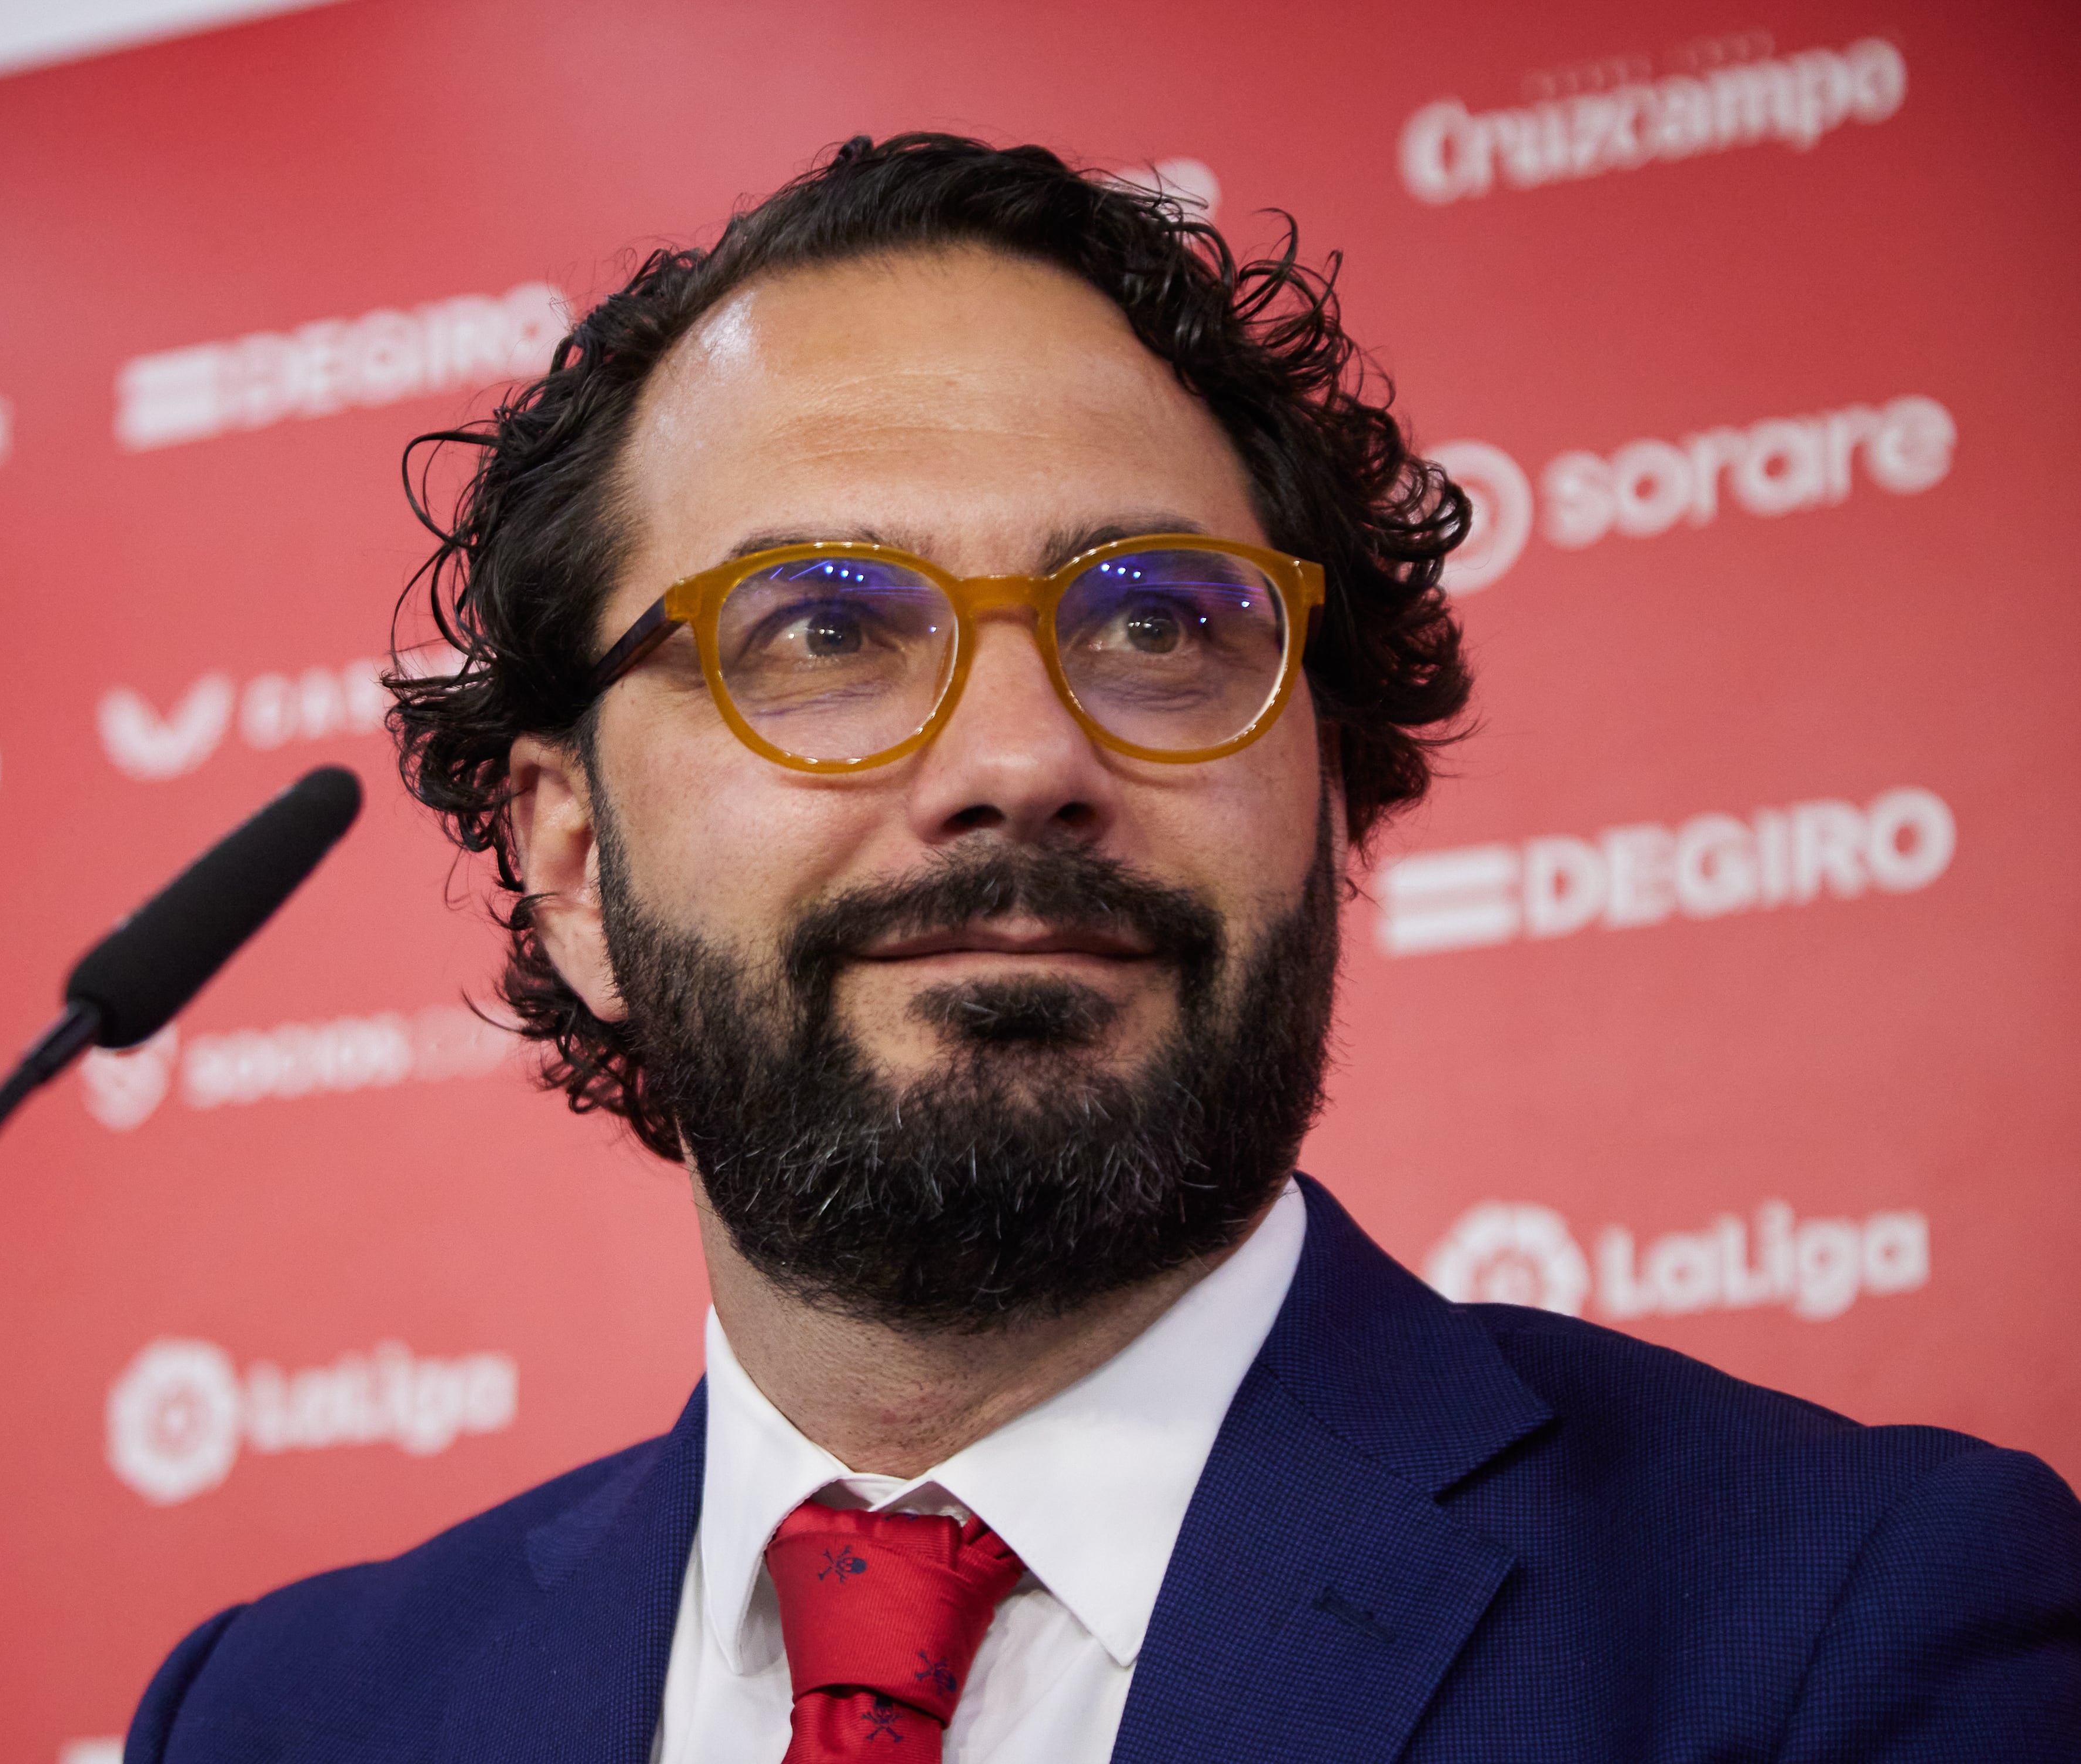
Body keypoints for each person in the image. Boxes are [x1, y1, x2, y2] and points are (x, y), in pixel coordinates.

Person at [125, 134, 2081, 1762]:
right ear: (565, 857)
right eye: (816, 628)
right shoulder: (280, 1716)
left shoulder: (1857, 1625)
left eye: (1155, 626)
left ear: (1328, 784)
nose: (1017, 762)